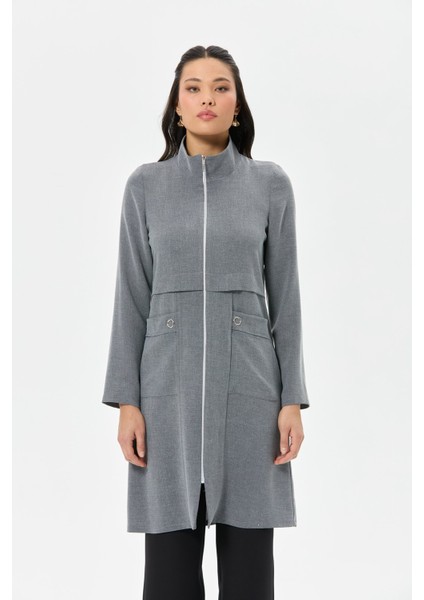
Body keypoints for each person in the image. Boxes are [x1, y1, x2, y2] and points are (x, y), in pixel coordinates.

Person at [102, 44, 310, 599]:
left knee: (249, 581)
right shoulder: (144, 186)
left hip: (251, 396)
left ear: (237, 105)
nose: (207, 98)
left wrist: (292, 398)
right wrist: (127, 402)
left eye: (220, 87)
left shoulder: (270, 184)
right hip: (165, 397)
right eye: (193, 88)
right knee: (168, 580)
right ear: (177, 105)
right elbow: (130, 297)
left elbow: (286, 299)